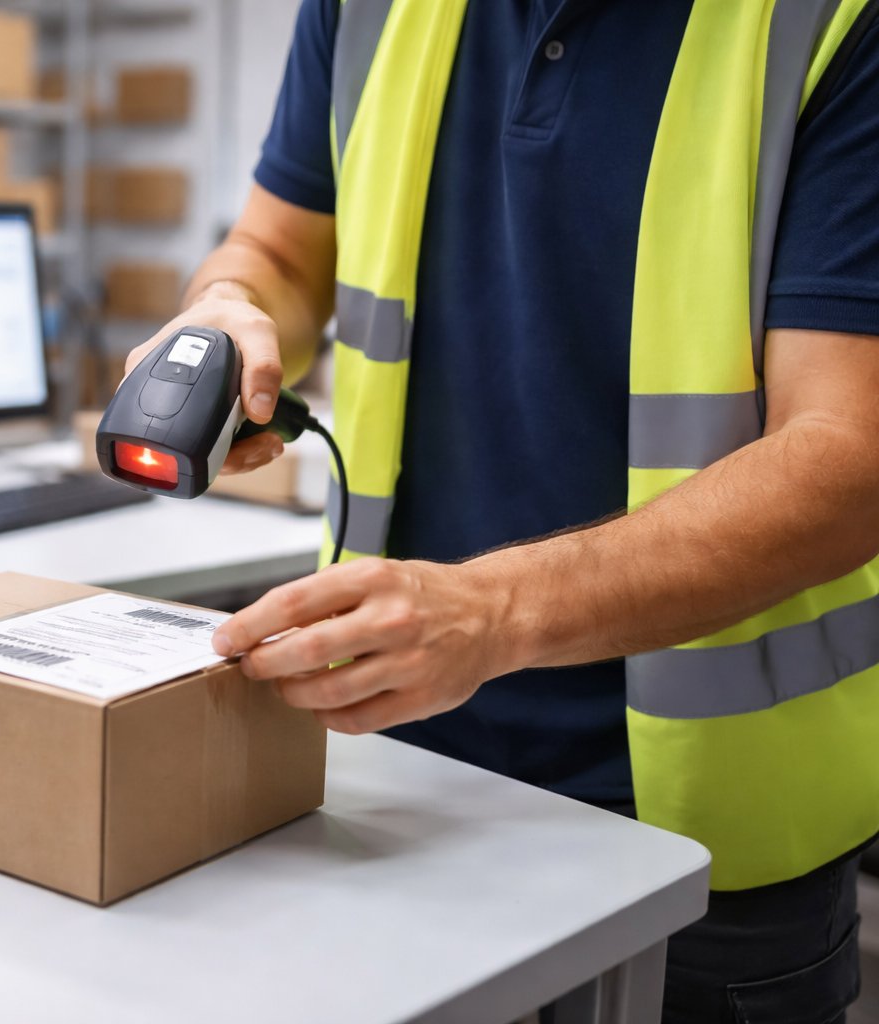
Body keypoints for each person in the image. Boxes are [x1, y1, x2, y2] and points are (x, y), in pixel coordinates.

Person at [124, 2, 879, 1020]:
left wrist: (494, 612)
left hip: (705, 846)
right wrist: (231, 305)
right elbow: (281, 248)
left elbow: (850, 456)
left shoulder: (830, 23)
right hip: (396, 780)